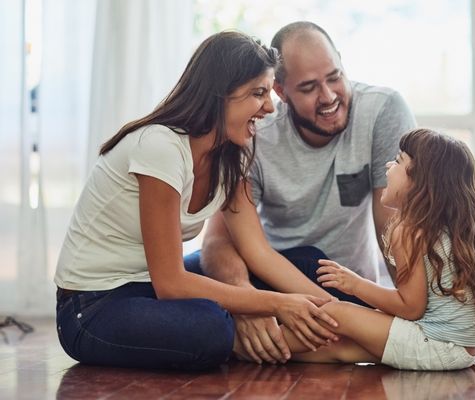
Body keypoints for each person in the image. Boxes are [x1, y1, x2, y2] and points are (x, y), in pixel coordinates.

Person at [53, 31, 340, 371]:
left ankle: (328, 334)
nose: (269, 106)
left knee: (309, 262)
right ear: (219, 95)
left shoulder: (230, 154)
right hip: (94, 306)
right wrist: (271, 305)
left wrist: (331, 308)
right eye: (258, 93)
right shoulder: (160, 147)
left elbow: (257, 252)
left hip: (149, 286)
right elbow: (171, 283)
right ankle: (331, 343)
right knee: (211, 327)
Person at [201, 21, 417, 364]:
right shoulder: (254, 134)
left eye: (334, 77)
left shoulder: (382, 110)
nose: (329, 97)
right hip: (271, 280)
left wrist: (412, 309)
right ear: (281, 92)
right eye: (309, 88)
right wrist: (247, 303)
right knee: (173, 289)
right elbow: (217, 241)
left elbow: (397, 227)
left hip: (349, 289)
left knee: (315, 265)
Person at [243, 128, 475, 370]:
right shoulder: (457, 232)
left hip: (435, 346)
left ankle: (251, 345)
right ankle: (258, 348)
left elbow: (410, 308)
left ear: (420, 183)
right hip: (461, 353)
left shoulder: (411, 231)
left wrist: (355, 285)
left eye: (399, 161)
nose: (389, 165)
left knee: (339, 313)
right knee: (341, 348)